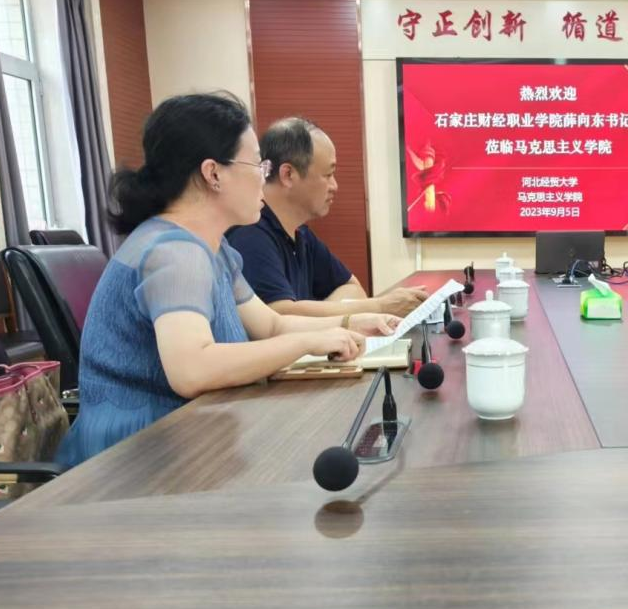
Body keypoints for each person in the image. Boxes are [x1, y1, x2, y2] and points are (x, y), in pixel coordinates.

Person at [56, 94, 400, 466]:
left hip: (189, 436)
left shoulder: (212, 247)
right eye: (257, 164)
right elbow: (192, 369)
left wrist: (351, 324)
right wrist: (308, 341)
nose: (263, 177)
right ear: (213, 173)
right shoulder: (174, 252)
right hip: (136, 457)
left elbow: (271, 325)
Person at [227, 117, 427, 317]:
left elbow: (352, 288)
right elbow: (279, 317)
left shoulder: (300, 233)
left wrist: (315, 313)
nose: (334, 186)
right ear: (288, 174)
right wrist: (379, 307)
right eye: (328, 175)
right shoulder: (250, 234)